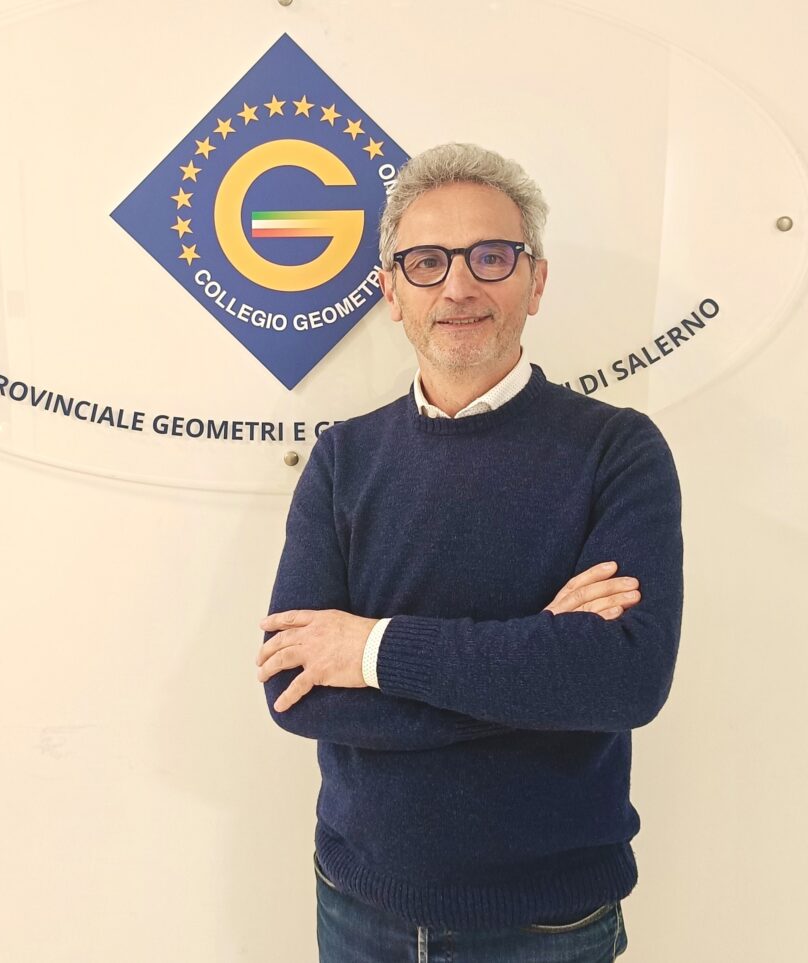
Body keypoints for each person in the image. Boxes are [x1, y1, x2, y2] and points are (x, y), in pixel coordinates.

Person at [255, 143, 682, 961]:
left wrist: (371, 650)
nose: (457, 286)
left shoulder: (618, 451)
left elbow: (623, 678)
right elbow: (296, 690)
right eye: (426, 262)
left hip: (547, 922)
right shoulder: (343, 458)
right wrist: (538, 660)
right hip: (358, 905)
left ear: (536, 280)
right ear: (391, 292)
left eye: (491, 256)